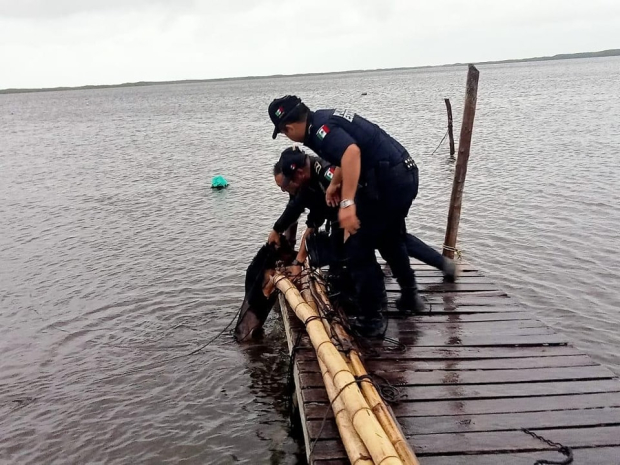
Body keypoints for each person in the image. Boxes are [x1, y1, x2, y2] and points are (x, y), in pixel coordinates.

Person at [268, 95, 426, 337]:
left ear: (288, 128)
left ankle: (372, 322)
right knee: (390, 239)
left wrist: (348, 202)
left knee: (357, 247)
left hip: (388, 182)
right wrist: (335, 184)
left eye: (284, 133)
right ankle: (410, 297)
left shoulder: (320, 131)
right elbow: (345, 153)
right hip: (402, 175)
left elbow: (351, 153)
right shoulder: (322, 120)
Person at [268, 147, 456, 281]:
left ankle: (428, 274)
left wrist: (299, 258)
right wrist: (282, 236)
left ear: (297, 174)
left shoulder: (323, 172)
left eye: (285, 184)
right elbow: (305, 216)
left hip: (371, 203)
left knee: (393, 241)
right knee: (390, 243)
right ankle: (430, 272)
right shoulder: (305, 186)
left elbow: (322, 210)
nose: (285, 190)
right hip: (356, 211)